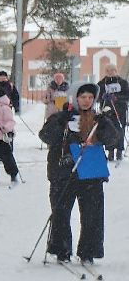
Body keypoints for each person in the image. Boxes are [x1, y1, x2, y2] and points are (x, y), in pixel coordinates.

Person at [38, 83, 122, 265]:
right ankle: (61, 250)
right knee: (60, 212)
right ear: (75, 98)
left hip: (90, 174)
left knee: (92, 214)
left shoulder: (98, 119)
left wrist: (104, 127)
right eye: (83, 96)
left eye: (90, 97)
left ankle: (88, 251)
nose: (86, 101)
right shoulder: (62, 117)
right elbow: (45, 136)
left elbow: (114, 138)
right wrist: (61, 124)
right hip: (63, 174)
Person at [99, 70, 128, 161]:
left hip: (120, 110)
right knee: (109, 130)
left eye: (112, 71)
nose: (110, 73)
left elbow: (127, 95)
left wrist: (117, 98)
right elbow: (96, 93)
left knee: (120, 129)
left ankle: (119, 151)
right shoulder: (103, 83)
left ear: (116, 71)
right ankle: (110, 151)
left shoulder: (122, 82)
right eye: (107, 71)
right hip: (107, 110)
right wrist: (102, 97)